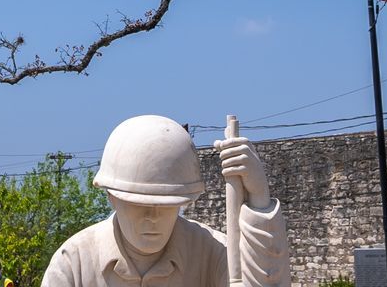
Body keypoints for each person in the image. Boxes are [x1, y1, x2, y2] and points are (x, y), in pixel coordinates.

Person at [42, 115, 288, 287]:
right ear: (111, 197)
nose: (152, 216)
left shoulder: (213, 253)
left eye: (166, 204)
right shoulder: (74, 262)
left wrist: (259, 201)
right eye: (137, 203)